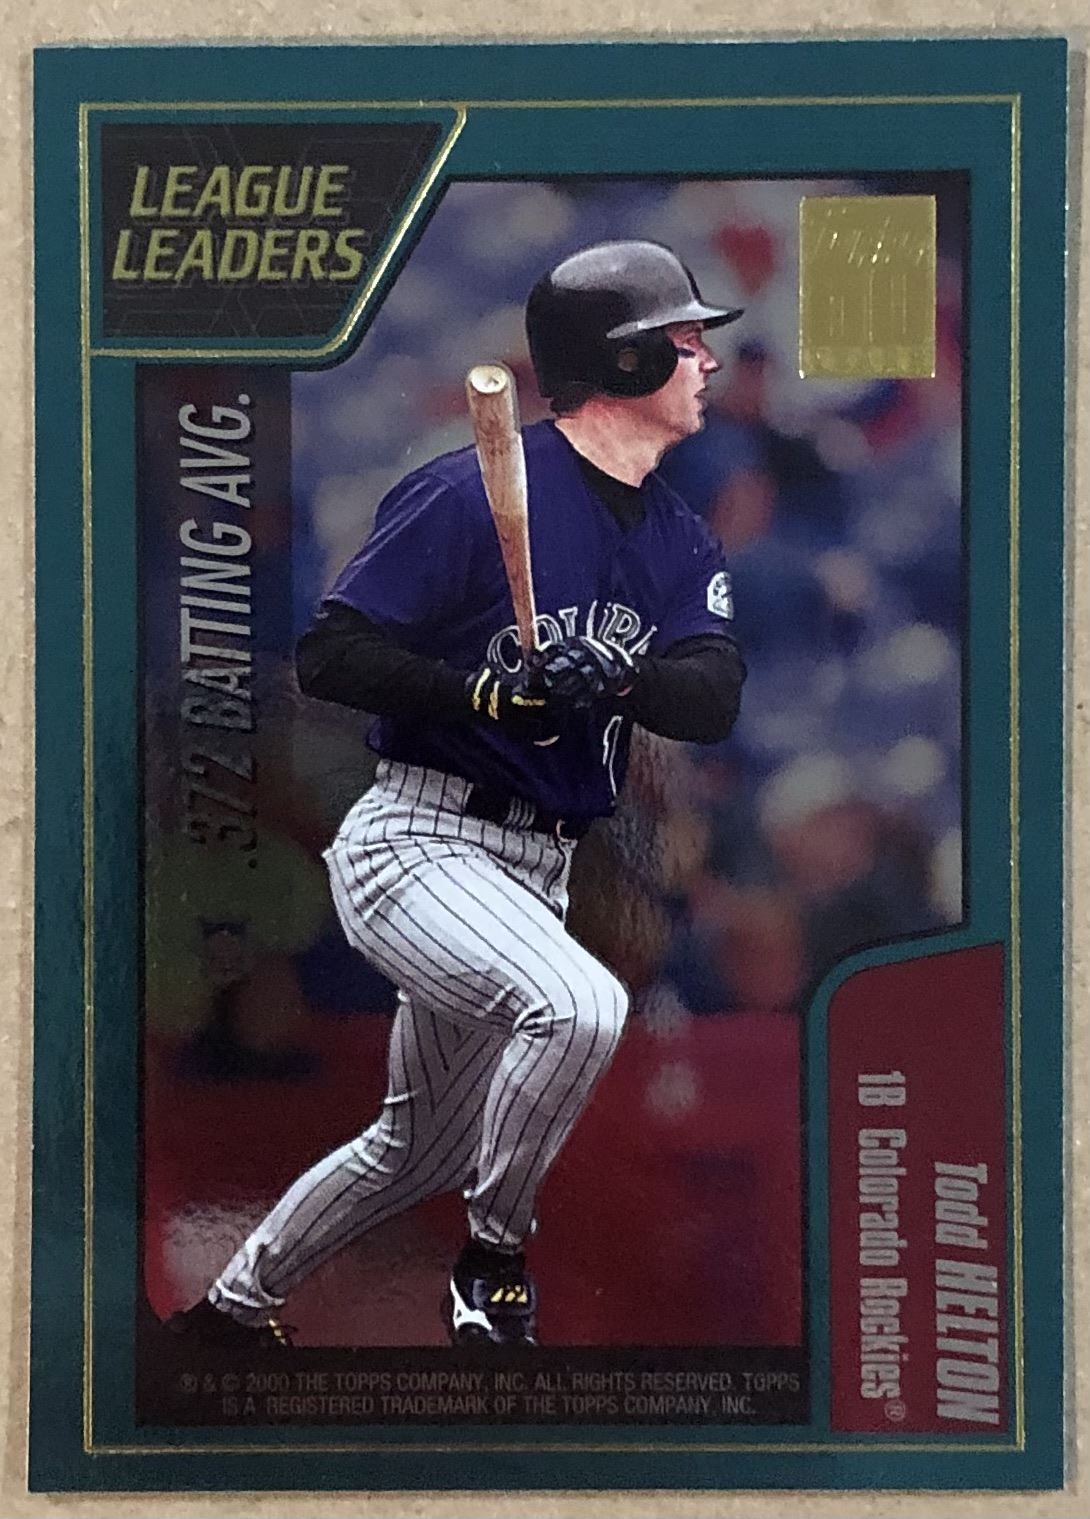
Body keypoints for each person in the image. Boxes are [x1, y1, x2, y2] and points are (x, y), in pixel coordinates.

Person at [168, 239, 748, 1349]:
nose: (706, 360)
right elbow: (332, 655)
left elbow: (712, 696)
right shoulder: (463, 491)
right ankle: (493, 1259)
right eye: (683, 341)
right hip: (420, 841)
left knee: (415, 1147)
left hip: (536, 871)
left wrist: (618, 676)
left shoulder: (679, 536)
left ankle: (226, 1315)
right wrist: (478, 692)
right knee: (579, 1008)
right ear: (622, 362)